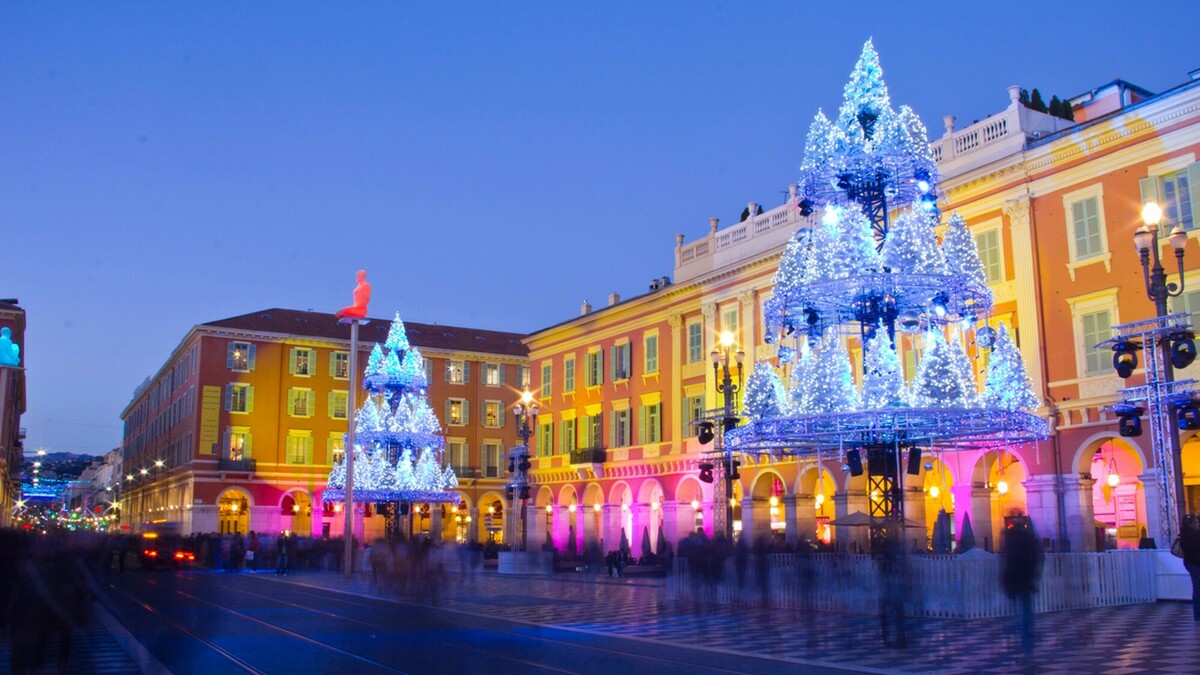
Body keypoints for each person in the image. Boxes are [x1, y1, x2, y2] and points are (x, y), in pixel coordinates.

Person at [1002, 515, 1044, 656]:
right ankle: (1026, 640)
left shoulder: (1011, 541)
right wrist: (1034, 574)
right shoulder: (1028, 540)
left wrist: (1006, 579)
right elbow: (1036, 558)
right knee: (1026, 611)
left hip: (1015, 579)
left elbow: (1007, 561)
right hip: (1025, 579)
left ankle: (1018, 635)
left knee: (1016, 611)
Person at [1180, 514, 1200, 622]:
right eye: (1196, 522)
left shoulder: (1183, 535)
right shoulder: (1196, 535)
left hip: (1189, 563)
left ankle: (1197, 615)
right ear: (1191, 524)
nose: (1197, 524)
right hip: (1197, 563)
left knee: (1196, 589)